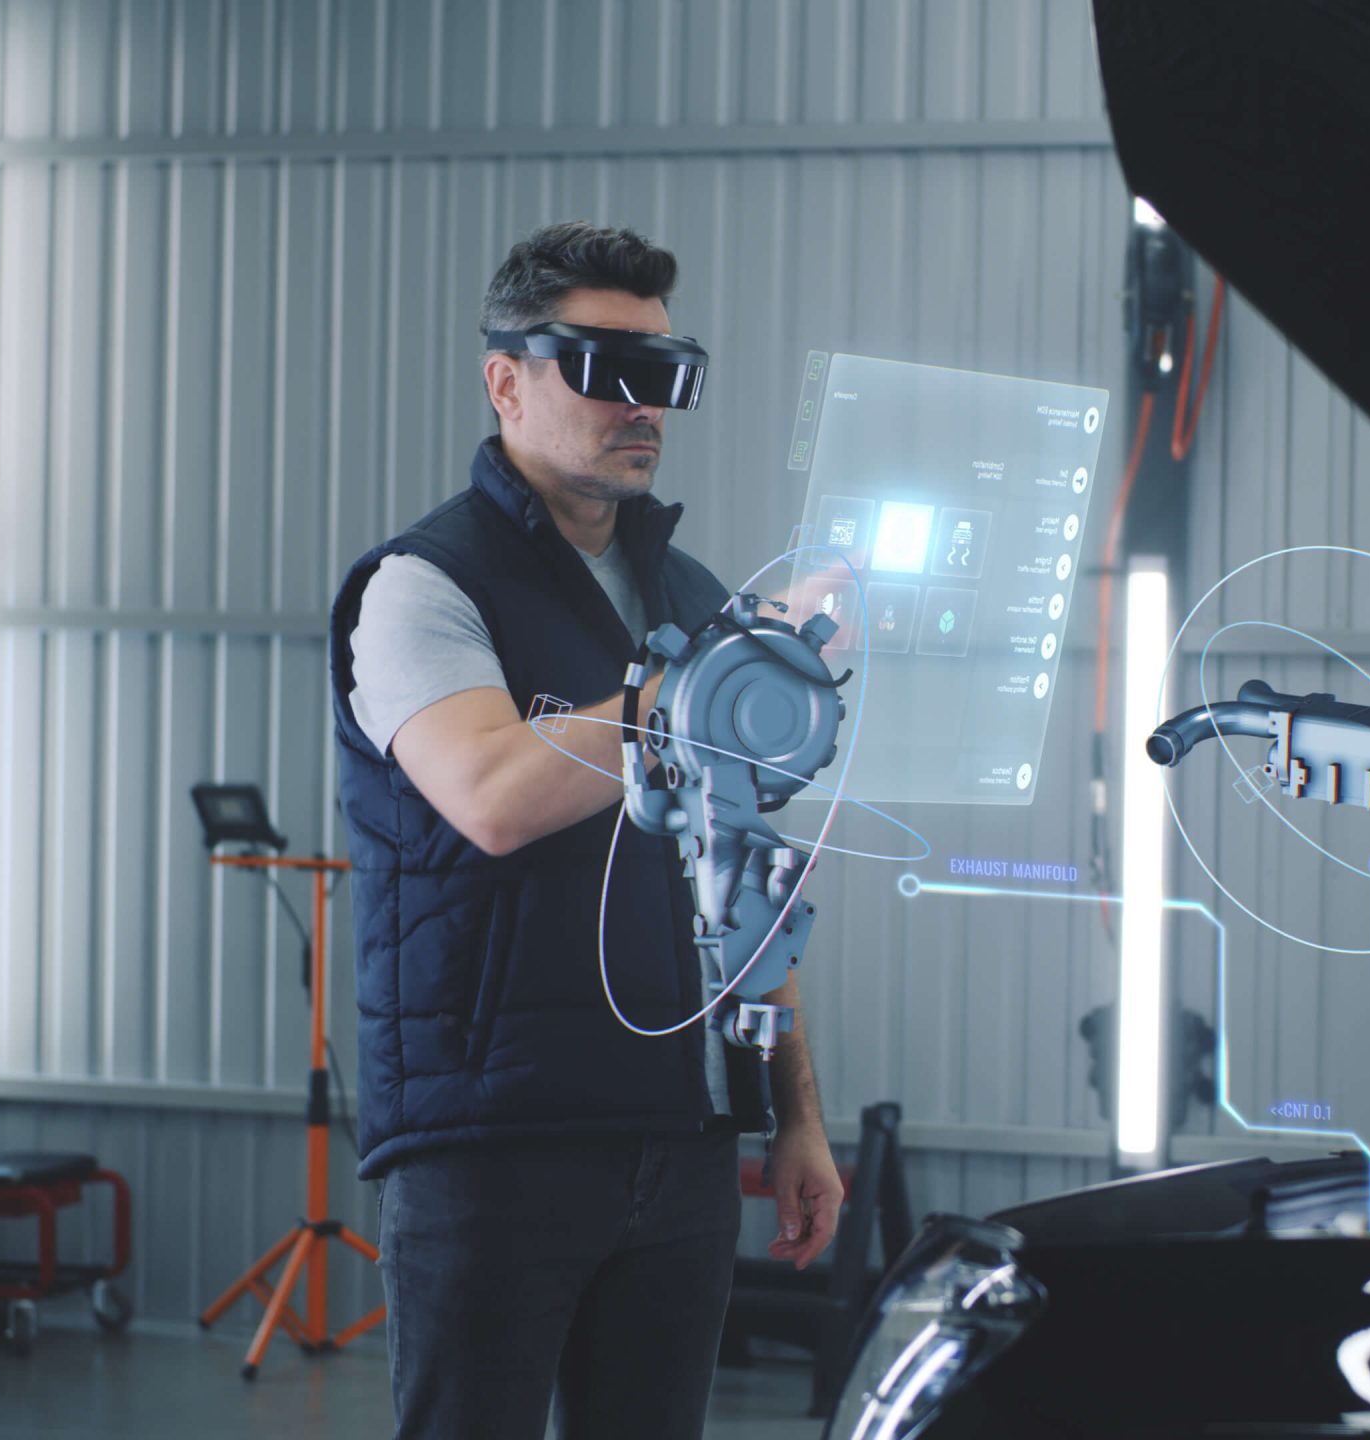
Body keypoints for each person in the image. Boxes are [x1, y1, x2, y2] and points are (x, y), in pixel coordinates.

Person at [326, 221, 843, 1439]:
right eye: (602, 368)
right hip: (494, 1145)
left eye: (664, 374)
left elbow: (749, 876)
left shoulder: (695, 598)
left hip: (681, 1134)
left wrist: (797, 1113)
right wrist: (693, 689)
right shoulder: (422, 587)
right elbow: (494, 798)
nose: (642, 406)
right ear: (505, 379)